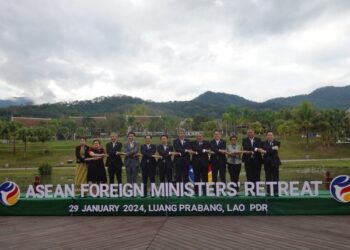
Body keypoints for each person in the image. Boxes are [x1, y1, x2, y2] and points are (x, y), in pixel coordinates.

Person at [261, 131, 281, 196]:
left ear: (273, 136)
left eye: (271, 135)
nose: (270, 136)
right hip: (267, 162)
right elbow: (264, 149)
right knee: (268, 177)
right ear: (266, 136)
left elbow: (268, 150)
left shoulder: (277, 142)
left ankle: (276, 191)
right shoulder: (263, 143)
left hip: (275, 162)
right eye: (268, 135)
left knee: (276, 177)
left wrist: (266, 150)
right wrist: (272, 148)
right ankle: (269, 191)